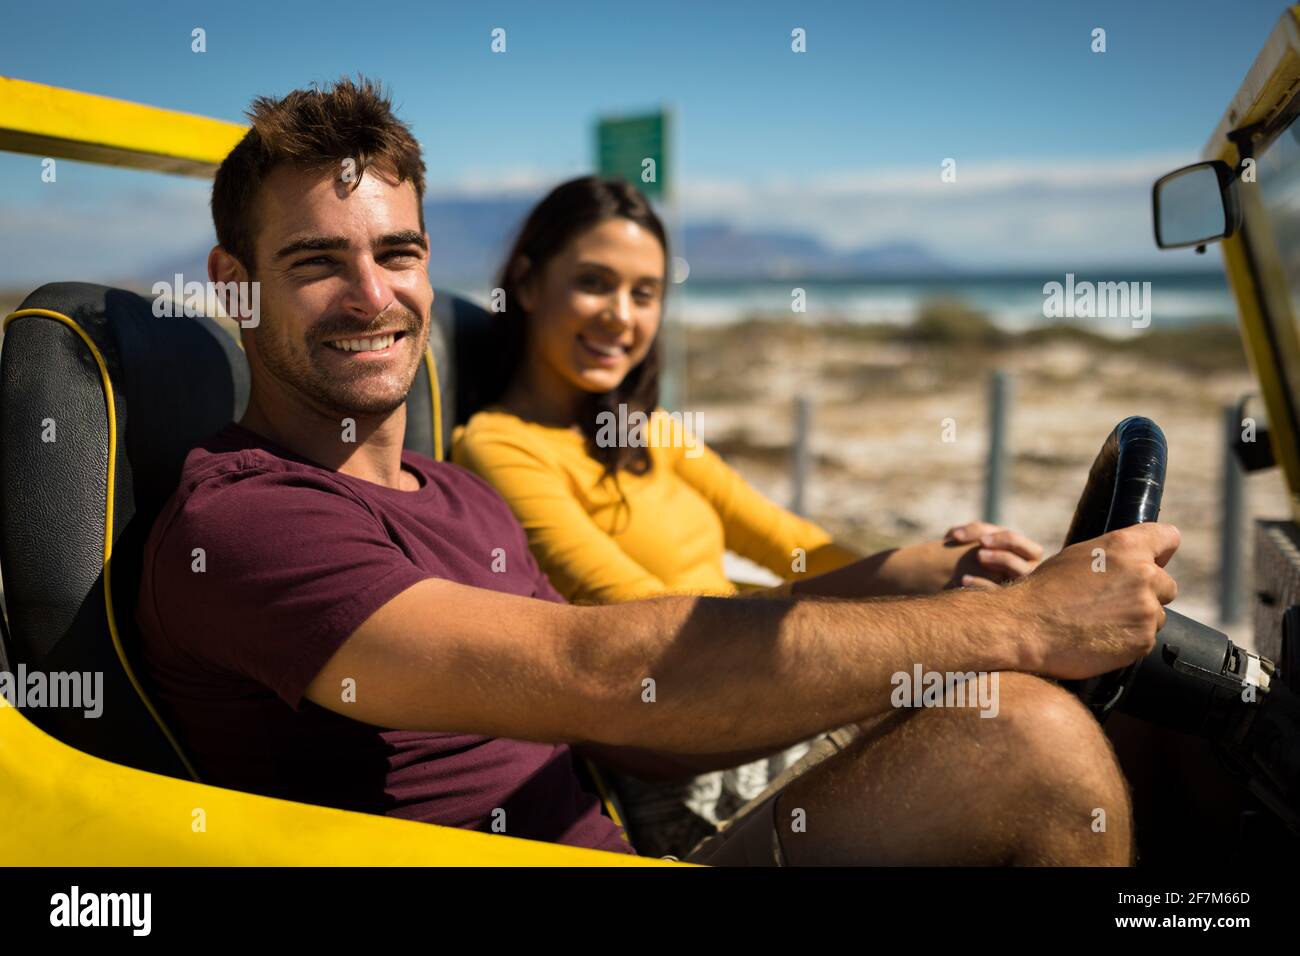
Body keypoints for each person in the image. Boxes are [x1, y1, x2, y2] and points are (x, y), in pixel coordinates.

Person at [138, 76, 1178, 866]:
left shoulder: (454, 491)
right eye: (317, 263)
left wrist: (914, 577)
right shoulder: (246, 519)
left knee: (1160, 713)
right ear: (234, 287)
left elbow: (627, 717)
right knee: (1024, 735)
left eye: (398, 253)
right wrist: (1019, 624)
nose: (373, 296)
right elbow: (606, 669)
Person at [451, 175, 1047, 855]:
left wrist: (932, 565)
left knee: (1053, 698)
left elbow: (793, 545)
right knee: (1027, 737)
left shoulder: (651, 435)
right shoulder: (498, 445)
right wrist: (891, 585)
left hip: (773, 705)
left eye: (645, 294)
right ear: (527, 285)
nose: (622, 315)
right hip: (684, 773)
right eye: (594, 282)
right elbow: (640, 624)